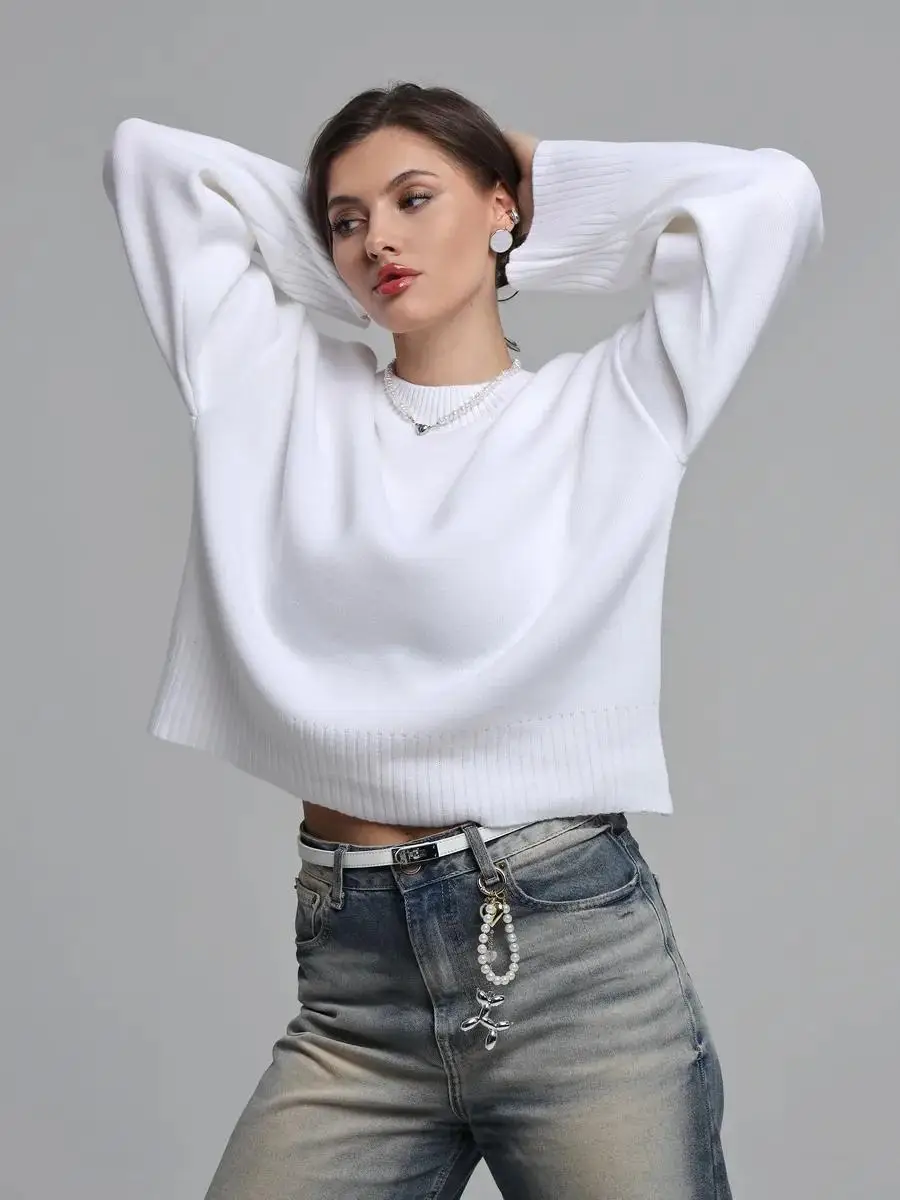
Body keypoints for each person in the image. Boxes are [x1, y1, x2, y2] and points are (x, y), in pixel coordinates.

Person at [102, 81, 823, 1199]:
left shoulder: (614, 408)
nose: (377, 240)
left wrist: (543, 187)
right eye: (345, 220)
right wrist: (365, 252)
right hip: (357, 999)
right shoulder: (275, 389)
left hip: (574, 974)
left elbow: (773, 199)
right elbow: (148, 162)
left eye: (413, 199)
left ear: (498, 206)